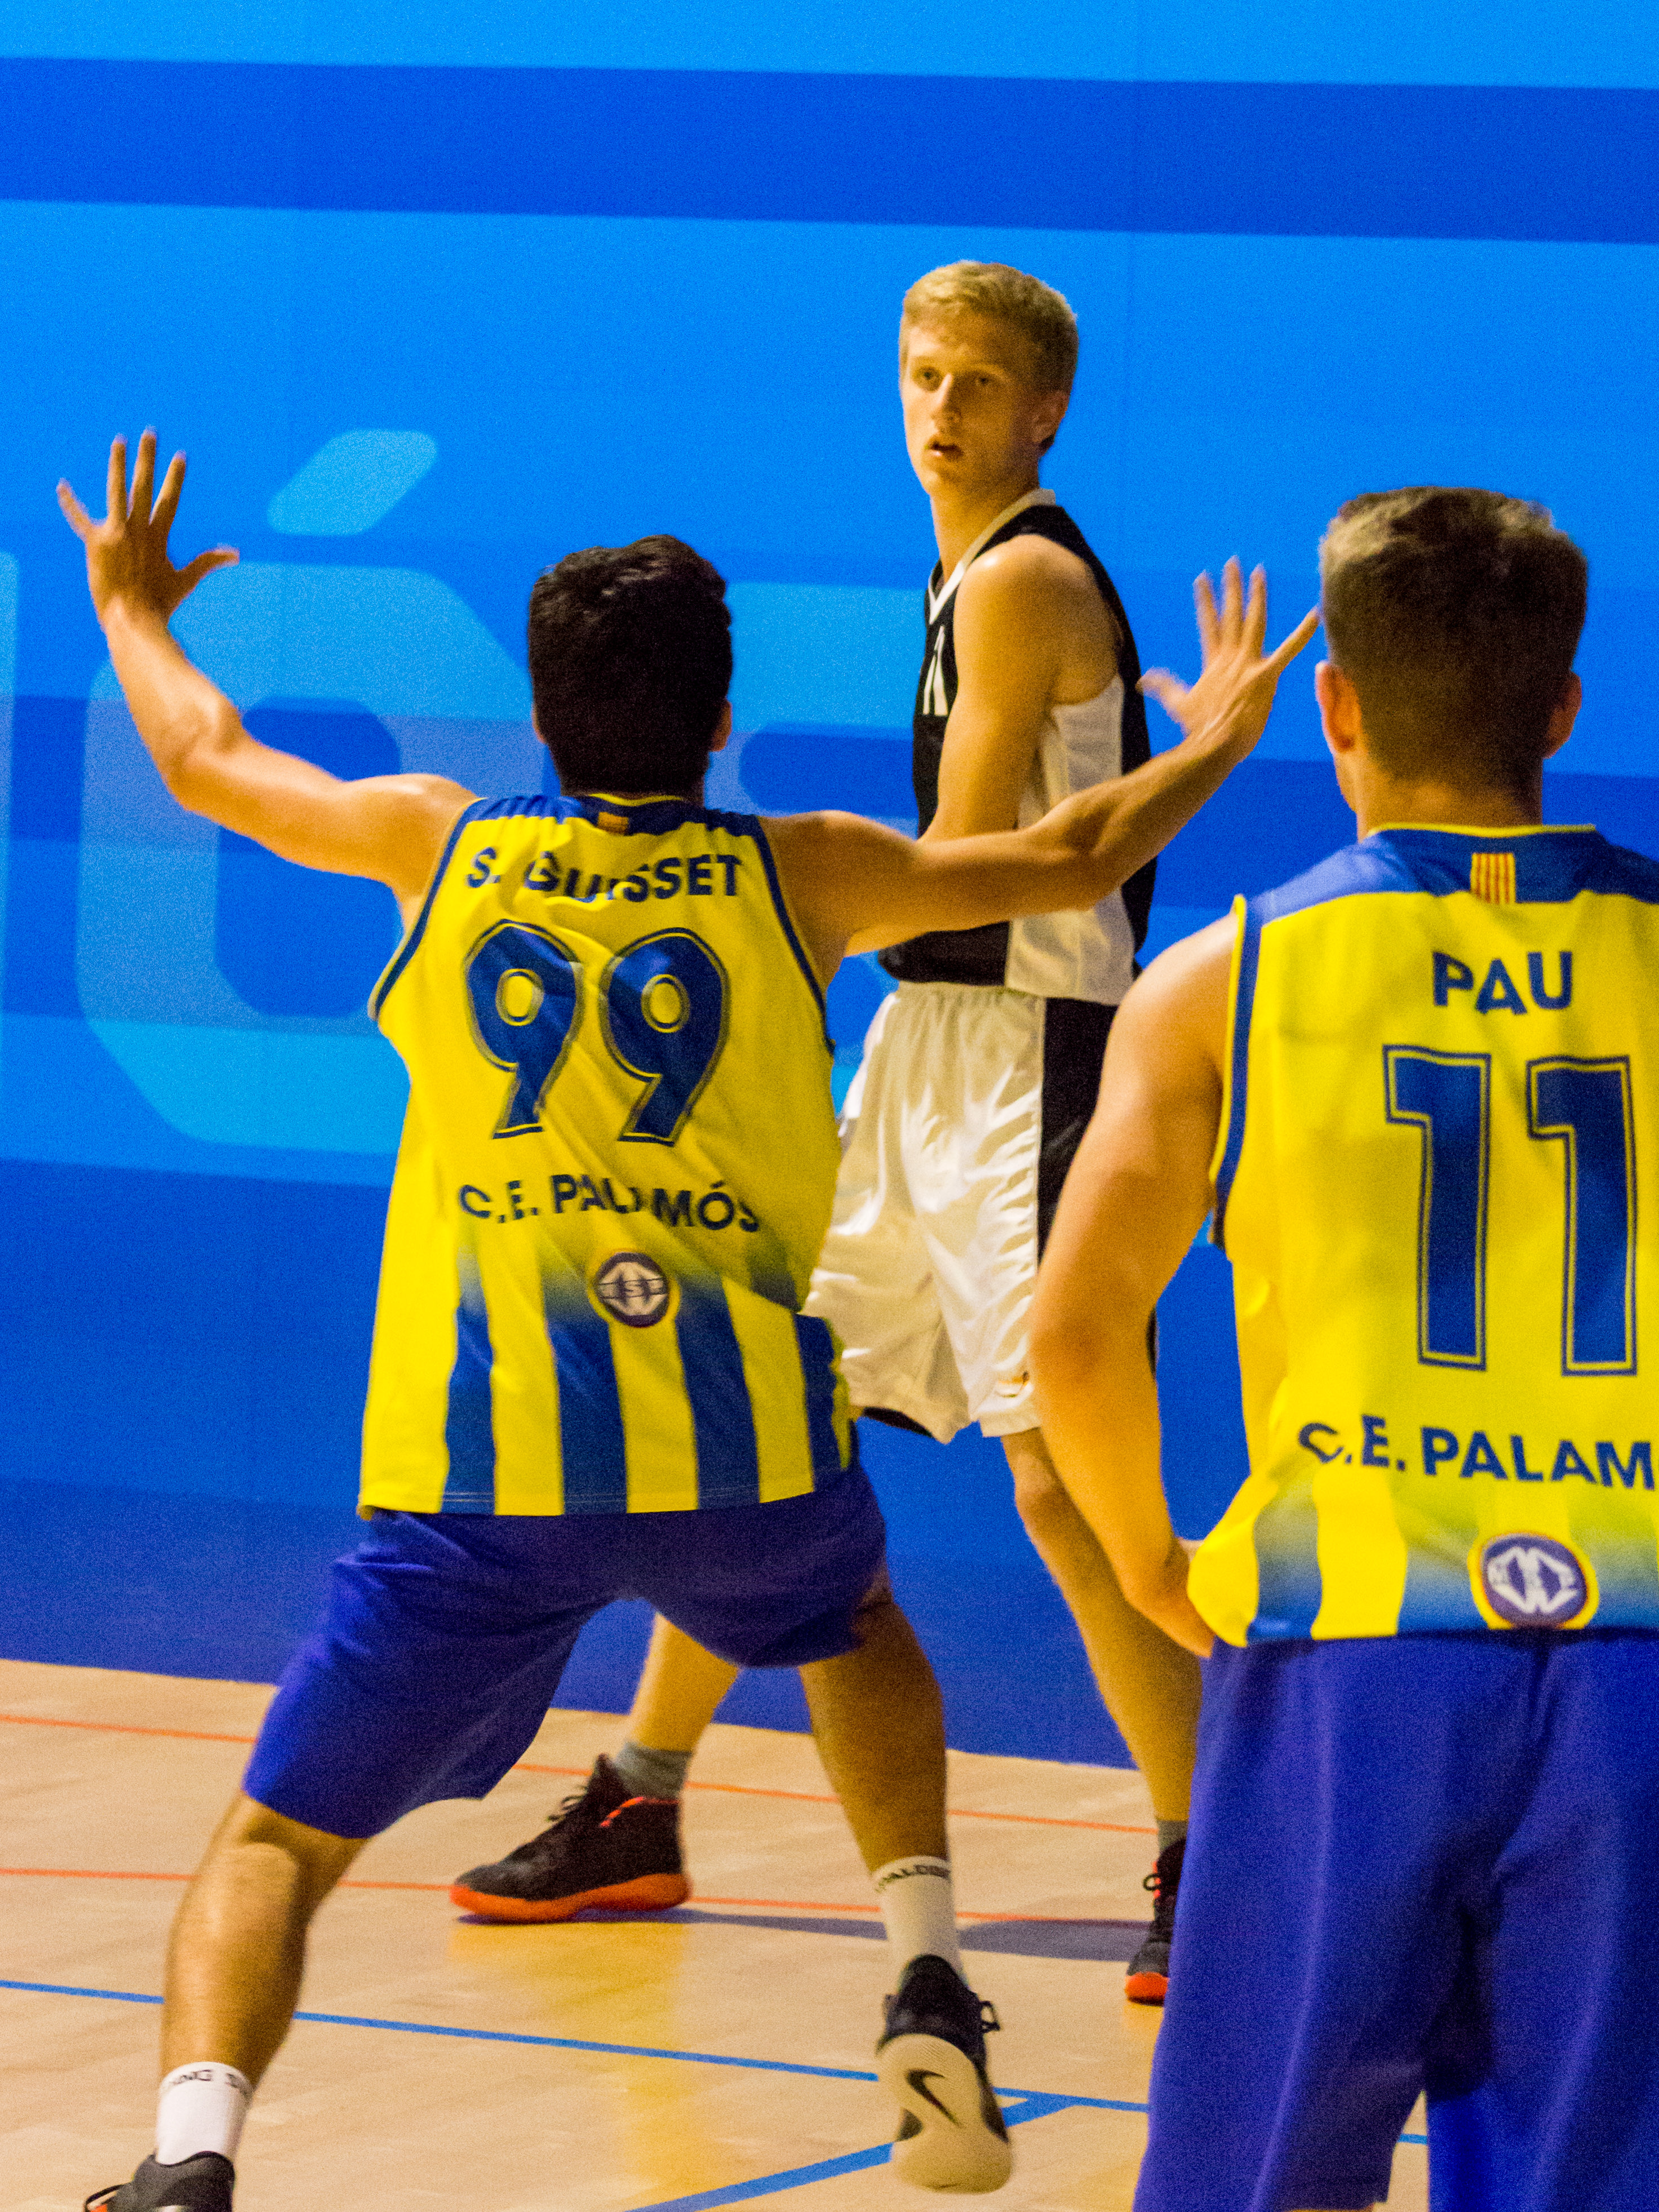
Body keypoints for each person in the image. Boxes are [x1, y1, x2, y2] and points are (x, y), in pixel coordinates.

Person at [62, 429, 1311, 2212]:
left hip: (481, 1484)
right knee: (857, 1625)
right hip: (747, 1468)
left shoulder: (438, 845)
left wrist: (130, 607)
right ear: (723, 722)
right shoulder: (805, 873)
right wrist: (1220, 736)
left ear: (538, 714)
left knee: (272, 1845)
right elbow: (1076, 850)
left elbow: (204, 757)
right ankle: (925, 1970)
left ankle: (190, 2157)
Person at [458, 261, 1208, 2006]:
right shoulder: (966, 568)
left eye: (977, 383)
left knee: (1064, 1484)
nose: (939, 407)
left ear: (1045, 412)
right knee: (765, 1427)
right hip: (936, 1048)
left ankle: (1211, 1839)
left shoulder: (1021, 577)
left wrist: (767, 904)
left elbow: (962, 864)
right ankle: (640, 1796)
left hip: (1031, 1054)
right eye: (922, 374)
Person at [1031, 487, 1659, 2212]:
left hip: (1348, 1653)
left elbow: (1074, 1332)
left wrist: (1155, 1567)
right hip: (1636, 1661)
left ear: (1336, 706)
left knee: (1259, 2183)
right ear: (1564, 705)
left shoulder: (1223, 980)